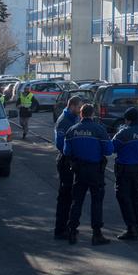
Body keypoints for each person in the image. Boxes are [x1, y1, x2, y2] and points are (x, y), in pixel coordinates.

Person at [60, 104, 114, 246]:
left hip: (79, 170)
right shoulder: (99, 130)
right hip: (95, 170)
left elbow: (66, 152)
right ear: (92, 114)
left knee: (77, 201)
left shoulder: (72, 130)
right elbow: (109, 150)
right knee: (96, 202)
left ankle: (72, 231)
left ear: (81, 114)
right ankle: (96, 234)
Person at [111, 107, 138, 241]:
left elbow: (111, 148)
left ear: (128, 119)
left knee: (123, 198)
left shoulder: (124, 133)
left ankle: (131, 229)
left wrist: (118, 132)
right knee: (135, 199)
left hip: (125, 169)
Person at [52, 96, 83, 241]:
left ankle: (67, 228)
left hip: (72, 161)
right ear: (72, 106)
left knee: (71, 196)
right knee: (65, 197)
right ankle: (60, 230)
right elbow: (60, 144)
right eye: (79, 107)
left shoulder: (74, 118)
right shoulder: (64, 121)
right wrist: (72, 153)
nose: (80, 110)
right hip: (66, 162)